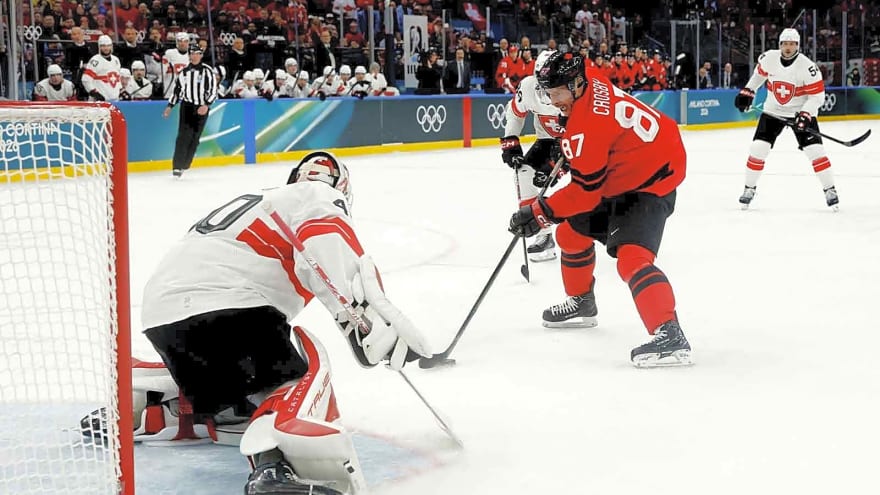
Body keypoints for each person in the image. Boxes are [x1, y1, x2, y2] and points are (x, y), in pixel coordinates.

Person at [139, 151, 431, 494]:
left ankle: (165, 408)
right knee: (299, 379)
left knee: (241, 371)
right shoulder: (317, 194)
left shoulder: (265, 202)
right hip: (225, 303)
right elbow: (326, 247)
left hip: (162, 316)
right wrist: (364, 323)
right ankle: (273, 469)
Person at [508, 51, 692, 367]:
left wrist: (540, 212)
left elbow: (584, 194)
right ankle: (582, 302)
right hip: (626, 165)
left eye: (558, 93)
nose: (553, 101)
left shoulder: (585, 125)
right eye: (549, 93)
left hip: (650, 179)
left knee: (632, 259)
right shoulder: (589, 76)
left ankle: (669, 333)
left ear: (577, 84)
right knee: (569, 235)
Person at [733, 28, 838, 210]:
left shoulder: (808, 67)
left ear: (797, 45)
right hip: (773, 111)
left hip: (800, 113)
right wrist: (748, 91)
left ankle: (830, 190)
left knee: (816, 151)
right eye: (785, 44)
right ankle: (749, 188)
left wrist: (805, 114)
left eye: (792, 44)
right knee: (758, 148)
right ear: (780, 44)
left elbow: (817, 97)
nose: (788, 47)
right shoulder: (769, 59)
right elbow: (759, 76)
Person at [499, 49, 566, 262]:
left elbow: (588, 134)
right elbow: (515, 113)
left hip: (581, 142)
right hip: (548, 139)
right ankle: (544, 236)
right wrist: (511, 141)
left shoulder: (574, 89)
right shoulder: (528, 87)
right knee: (524, 172)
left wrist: (559, 167)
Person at [162, 46, 218, 178]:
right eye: (192, 53)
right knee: (183, 136)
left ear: (201, 55)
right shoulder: (183, 72)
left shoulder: (207, 71)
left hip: (201, 107)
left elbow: (213, 90)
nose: (194, 56)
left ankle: (185, 164)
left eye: (197, 54)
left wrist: (206, 104)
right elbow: (177, 90)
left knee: (195, 137)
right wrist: (170, 106)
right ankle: (177, 166)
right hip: (187, 106)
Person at [81, 35, 122, 101]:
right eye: (103, 46)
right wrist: (94, 93)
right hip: (99, 101)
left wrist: (121, 90)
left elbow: (118, 78)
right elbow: (86, 79)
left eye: (108, 45)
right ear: (99, 47)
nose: (106, 48)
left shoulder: (116, 60)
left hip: (115, 100)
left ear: (111, 46)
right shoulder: (95, 60)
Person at [162, 32, 191, 99]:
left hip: (186, 95)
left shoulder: (192, 56)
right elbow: (162, 71)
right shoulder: (169, 53)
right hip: (169, 93)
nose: (182, 44)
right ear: (176, 42)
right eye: (180, 41)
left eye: (185, 41)